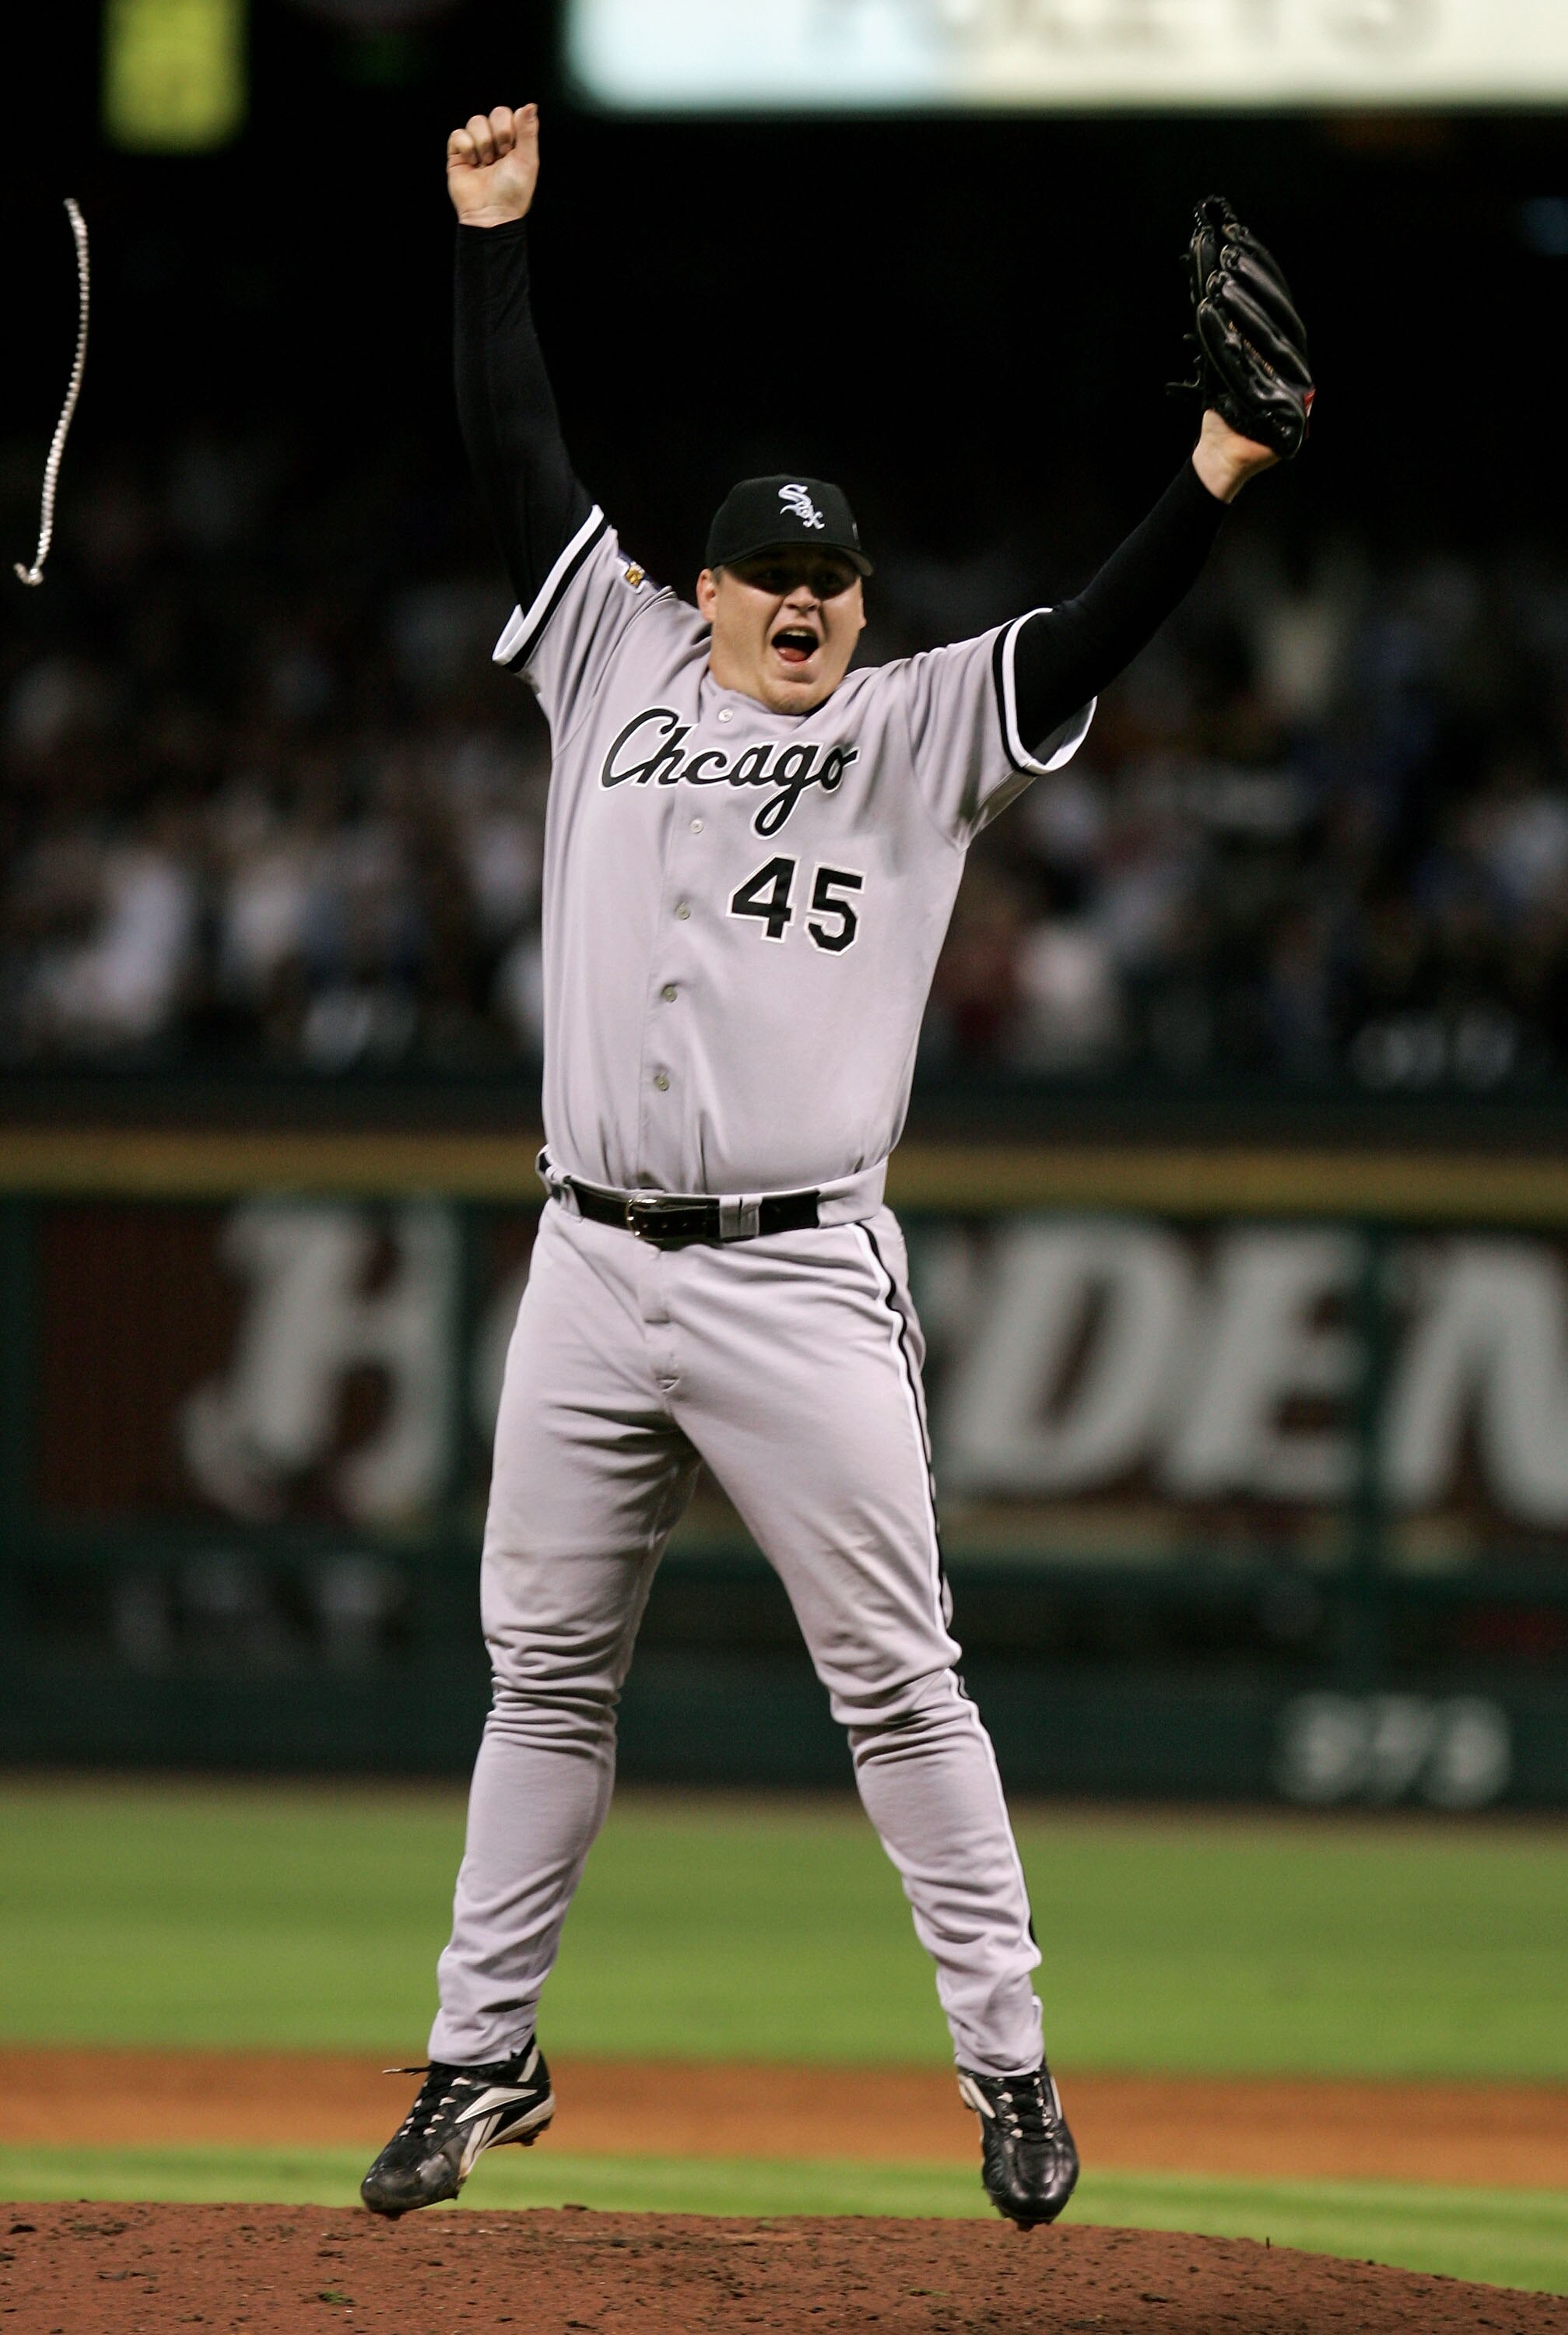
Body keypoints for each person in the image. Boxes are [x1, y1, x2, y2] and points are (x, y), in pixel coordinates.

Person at [361, 103, 1291, 2228]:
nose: (804, 601)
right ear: (698, 592)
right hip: (590, 1259)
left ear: (861, 604)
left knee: (899, 1683)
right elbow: (518, 452)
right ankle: (480, 2057)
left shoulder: (918, 724)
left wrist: (1220, 470)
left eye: (833, 578)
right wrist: (491, 238)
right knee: (543, 1683)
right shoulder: (606, 650)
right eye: (770, 576)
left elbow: (1089, 635)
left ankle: (1013, 2069)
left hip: (796, 1275)